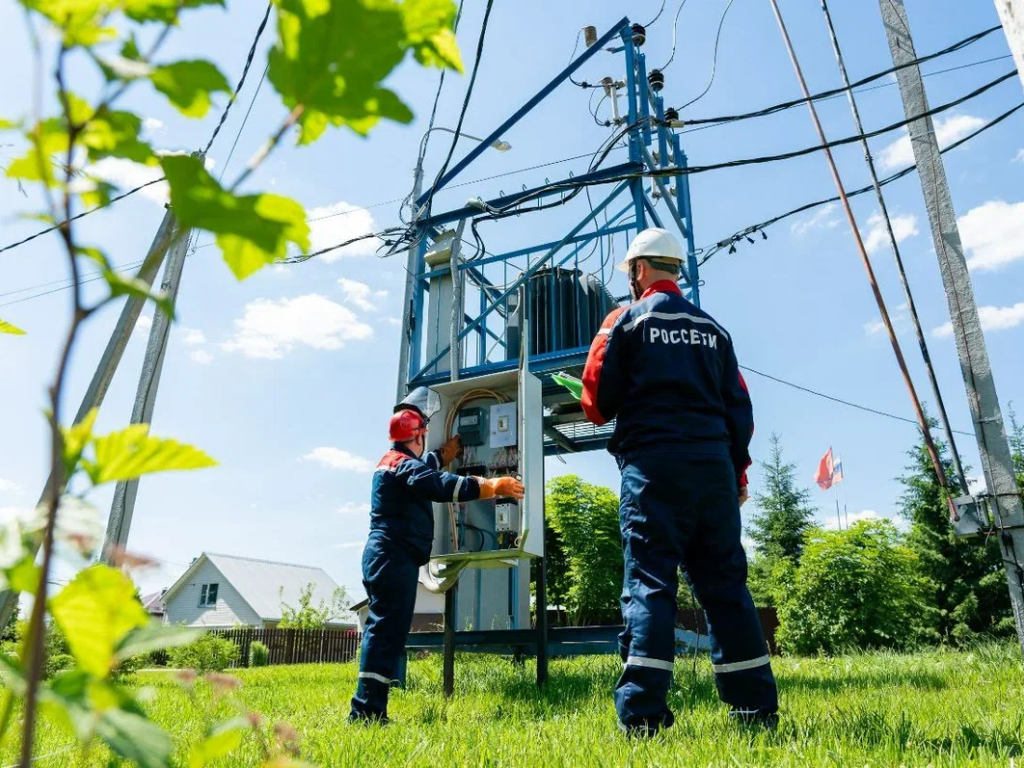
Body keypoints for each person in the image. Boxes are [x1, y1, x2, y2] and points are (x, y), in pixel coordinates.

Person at [581, 228, 778, 736]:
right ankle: (754, 713)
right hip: (713, 467)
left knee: (649, 584)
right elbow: (740, 411)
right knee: (727, 588)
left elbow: (596, 402)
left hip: (654, 468)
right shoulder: (714, 330)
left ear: (639, 270)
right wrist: (736, 475)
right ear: (675, 271)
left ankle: (644, 717)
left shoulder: (622, 321)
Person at [349, 391, 525, 724]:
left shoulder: (395, 460)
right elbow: (439, 484)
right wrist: (493, 485)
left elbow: (425, 468)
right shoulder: (404, 467)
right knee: (385, 633)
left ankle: (371, 710)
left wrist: (445, 454)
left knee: (387, 632)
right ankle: (365, 713)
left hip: (389, 556)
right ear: (417, 435)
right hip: (391, 556)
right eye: (424, 433)